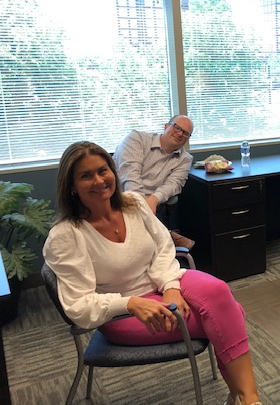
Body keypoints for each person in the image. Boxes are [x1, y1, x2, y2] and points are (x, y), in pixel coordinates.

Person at [43, 141, 262, 405]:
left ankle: (247, 399)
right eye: (86, 176)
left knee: (219, 291)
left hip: (162, 281)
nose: (99, 181)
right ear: (71, 186)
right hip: (123, 313)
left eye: (103, 171)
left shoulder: (133, 203)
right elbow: (78, 305)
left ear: (113, 171)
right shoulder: (66, 236)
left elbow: (163, 245)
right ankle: (246, 399)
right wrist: (130, 303)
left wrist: (170, 286)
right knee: (230, 315)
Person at [113, 115, 194, 247]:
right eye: (177, 127)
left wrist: (153, 199)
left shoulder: (185, 159)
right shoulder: (136, 138)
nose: (180, 134)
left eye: (185, 133)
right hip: (121, 198)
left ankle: (162, 239)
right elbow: (130, 177)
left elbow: (173, 185)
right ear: (166, 126)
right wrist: (142, 205)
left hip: (153, 206)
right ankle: (167, 236)